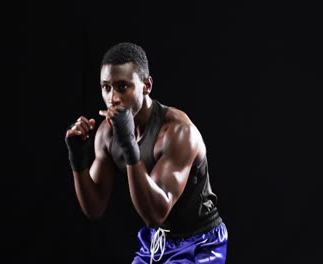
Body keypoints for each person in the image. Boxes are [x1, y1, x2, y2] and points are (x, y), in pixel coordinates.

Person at [65, 42, 228, 263]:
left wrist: (129, 146)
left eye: (123, 87)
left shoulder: (178, 132)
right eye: (106, 87)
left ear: (146, 85)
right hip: (156, 240)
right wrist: (78, 160)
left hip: (199, 243)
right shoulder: (107, 133)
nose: (113, 98)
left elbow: (155, 215)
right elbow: (94, 208)